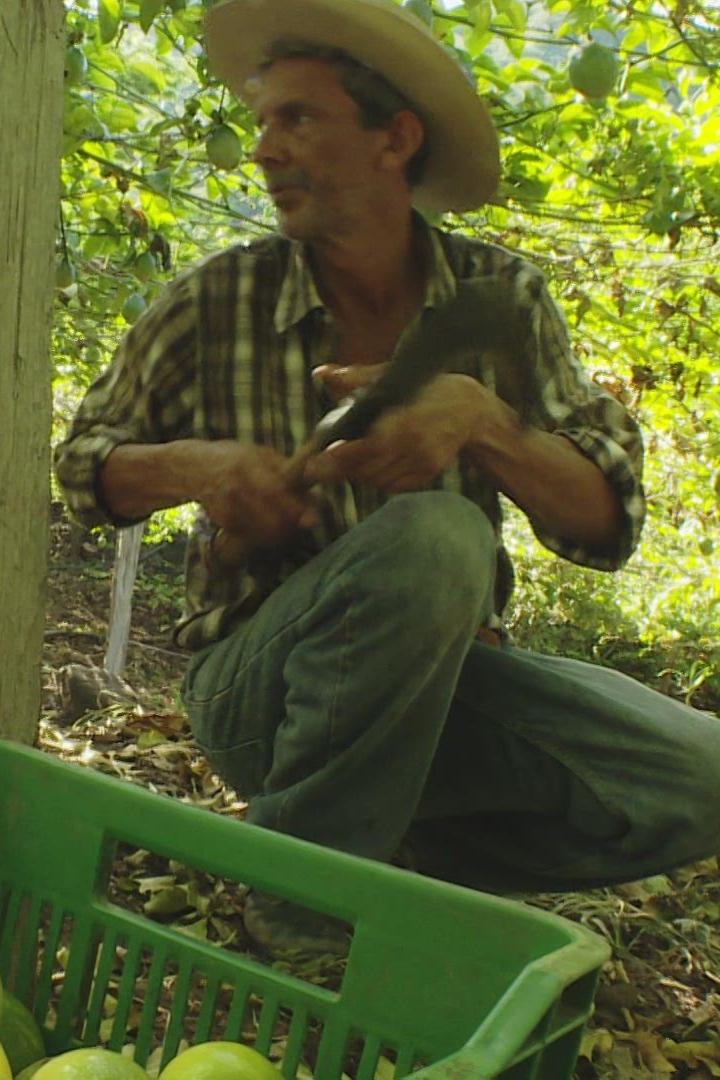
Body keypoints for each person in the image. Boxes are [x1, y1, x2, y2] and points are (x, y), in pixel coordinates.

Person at [54, 0, 720, 953]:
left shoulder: (502, 303)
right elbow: (83, 470)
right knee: (439, 536)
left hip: (444, 691)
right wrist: (199, 467)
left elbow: (606, 524)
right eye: (264, 123)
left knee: (697, 780)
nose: (266, 151)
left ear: (394, 138)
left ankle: (378, 853)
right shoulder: (216, 300)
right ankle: (302, 910)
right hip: (260, 698)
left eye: (301, 119)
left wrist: (486, 424)